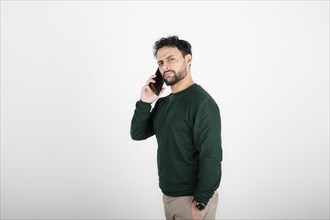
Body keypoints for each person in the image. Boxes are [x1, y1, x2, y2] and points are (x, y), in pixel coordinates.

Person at [130, 36, 222, 220]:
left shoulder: (201, 102)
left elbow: (211, 156)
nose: (165, 66)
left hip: (193, 200)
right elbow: (138, 133)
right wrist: (144, 102)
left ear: (188, 59)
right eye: (161, 62)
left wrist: (201, 201)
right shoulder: (164, 104)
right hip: (169, 195)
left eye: (171, 59)